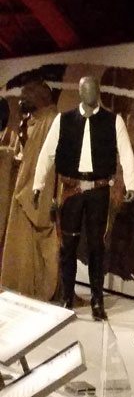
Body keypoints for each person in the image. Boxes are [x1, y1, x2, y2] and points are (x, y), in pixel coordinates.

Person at [33, 76, 134, 320]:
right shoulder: (63, 120)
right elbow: (47, 154)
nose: (91, 95)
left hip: (99, 191)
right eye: (86, 91)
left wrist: (131, 183)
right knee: (68, 245)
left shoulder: (113, 121)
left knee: (96, 246)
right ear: (80, 93)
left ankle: (97, 301)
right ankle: (67, 296)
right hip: (72, 191)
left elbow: (125, 152)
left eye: (94, 90)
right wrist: (38, 184)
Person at [0, 79, 59, 301]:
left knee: (35, 242)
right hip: (24, 188)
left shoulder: (50, 121)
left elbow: (45, 164)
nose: (22, 102)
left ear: (39, 98)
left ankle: (33, 286)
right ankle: (19, 284)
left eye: (26, 97)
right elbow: (25, 154)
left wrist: (30, 191)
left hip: (33, 194)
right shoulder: (34, 121)